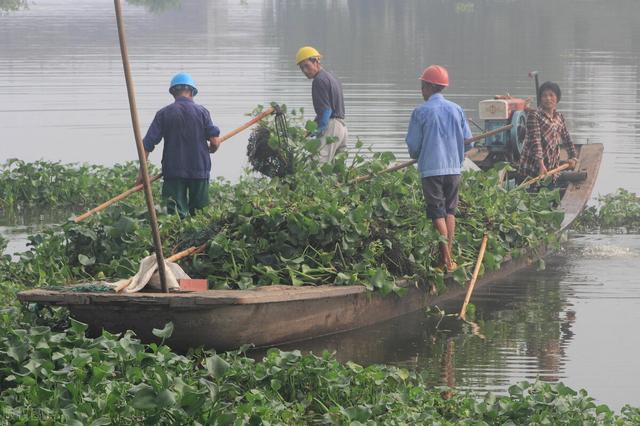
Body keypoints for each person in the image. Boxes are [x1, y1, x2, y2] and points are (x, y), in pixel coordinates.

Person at [405, 65, 471, 272]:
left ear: (429, 86)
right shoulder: (456, 109)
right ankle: (448, 258)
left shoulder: (421, 112)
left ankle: (447, 260)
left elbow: (414, 145)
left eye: (422, 86)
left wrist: (418, 155)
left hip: (432, 171)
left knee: (437, 213)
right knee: (450, 210)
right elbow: (468, 143)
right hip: (453, 169)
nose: (421, 90)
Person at [137, 72, 221, 218]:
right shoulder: (203, 112)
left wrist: (142, 174)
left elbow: (146, 145)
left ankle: (176, 239)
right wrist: (212, 149)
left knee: (174, 216)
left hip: (173, 171)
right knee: (200, 216)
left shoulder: (163, 114)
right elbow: (214, 141)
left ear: (173, 92)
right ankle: (197, 239)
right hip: (199, 170)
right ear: (192, 92)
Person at [295, 46, 348, 163]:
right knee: (336, 170)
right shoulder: (331, 76)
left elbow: (326, 111)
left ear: (316, 61)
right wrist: (310, 129)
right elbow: (327, 107)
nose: (304, 70)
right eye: (301, 68)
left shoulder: (318, 80)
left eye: (306, 66)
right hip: (342, 128)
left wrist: (317, 131)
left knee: (316, 165)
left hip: (332, 127)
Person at [518, 81, 577, 180]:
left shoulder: (559, 117)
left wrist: (573, 157)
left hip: (551, 168)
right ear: (540, 99)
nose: (548, 98)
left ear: (557, 98)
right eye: (544, 96)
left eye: (551, 95)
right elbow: (535, 141)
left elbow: (567, 139)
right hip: (532, 168)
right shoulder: (534, 115)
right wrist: (541, 164)